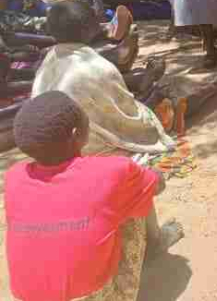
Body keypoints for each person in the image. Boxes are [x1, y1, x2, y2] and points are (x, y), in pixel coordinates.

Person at [5, 91, 185, 301]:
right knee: (132, 196)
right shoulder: (113, 171)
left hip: (27, 297)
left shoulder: (14, 176)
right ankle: (154, 247)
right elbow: (157, 185)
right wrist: (148, 173)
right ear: (76, 134)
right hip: (90, 296)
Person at [33, 0, 217, 155]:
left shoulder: (52, 58)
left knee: (156, 93)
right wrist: (153, 93)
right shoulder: (96, 67)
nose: (101, 25)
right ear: (87, 29)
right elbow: (129, 118)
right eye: (96, 22)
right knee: (169, 104)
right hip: (94, 145)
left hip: (63, 144)